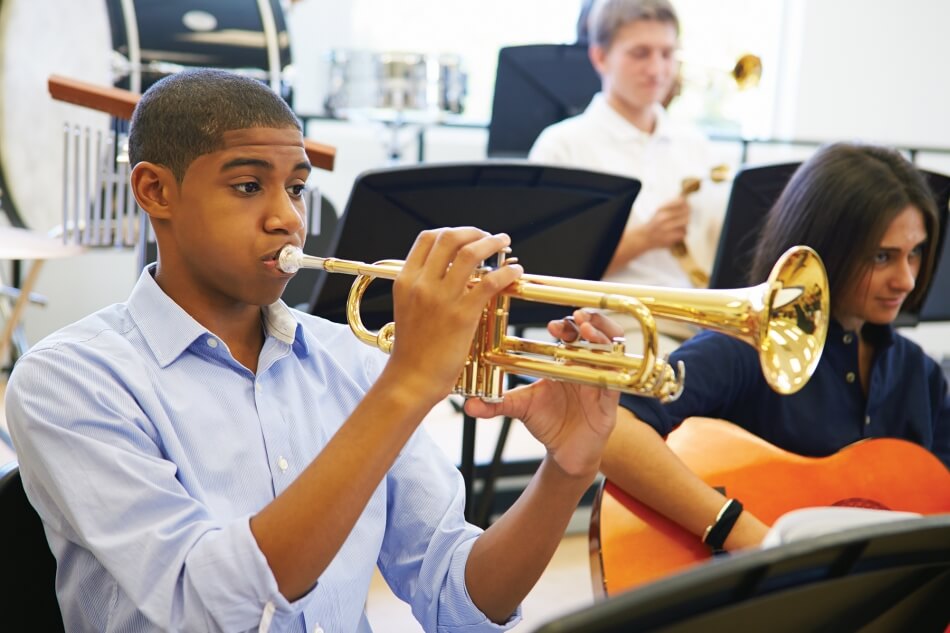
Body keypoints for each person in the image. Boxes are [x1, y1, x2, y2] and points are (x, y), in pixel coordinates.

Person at [5, 69, 619, 633]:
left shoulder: (346, 358)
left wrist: (564, 472)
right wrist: (405, 387)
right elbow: (205, 608)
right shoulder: (70, 378)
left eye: (297, 189)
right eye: (248, 186)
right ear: (155, 191)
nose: (288, 220)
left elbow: (456, 596)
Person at [562, 142, 950, 552]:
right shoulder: (743, 350)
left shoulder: (919, 374)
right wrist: (746, 534)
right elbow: (610, 433)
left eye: (916, 253)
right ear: (827, 249)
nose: (906, 280)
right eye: (882, 257)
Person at [530, 0, 725, 352]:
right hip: (613, 327)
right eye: (640, 53)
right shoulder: (562, 146)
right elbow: (548, 272)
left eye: (667, 54)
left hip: (700, 322)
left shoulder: (696, 145)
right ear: (600, 57)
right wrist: (644, 238)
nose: (658, 69)